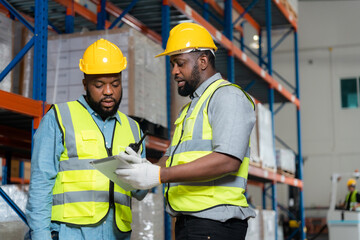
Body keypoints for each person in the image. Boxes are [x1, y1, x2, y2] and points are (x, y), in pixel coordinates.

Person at [115, 22, 256, 240]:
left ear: (202, 61)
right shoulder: (190, 108)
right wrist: (147, 168)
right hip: (191, 224)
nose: (174, 71)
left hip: (215, 225)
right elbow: (173, 158)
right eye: (172, 64)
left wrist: (159, 175)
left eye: (180, 63)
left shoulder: (227, 97)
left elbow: (228, 160)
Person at [26, 38, 147, 240]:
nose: (108, 92)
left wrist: (145, 175)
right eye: (99, 85)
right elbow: (40, 184)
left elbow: (139, 194)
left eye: (115, 84)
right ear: (85, 84)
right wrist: (40, 235)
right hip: (69, 234)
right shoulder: (59, 117)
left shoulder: (133, 128)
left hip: (117, 235)